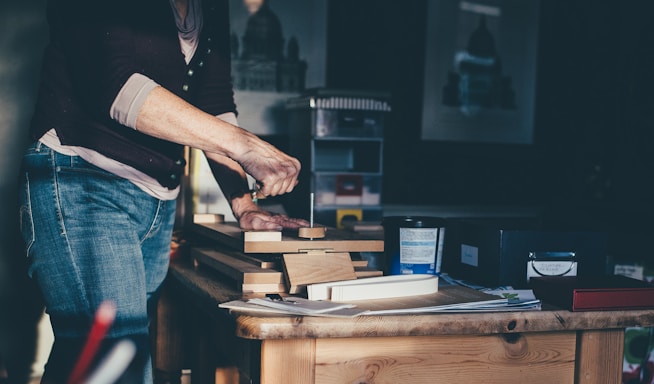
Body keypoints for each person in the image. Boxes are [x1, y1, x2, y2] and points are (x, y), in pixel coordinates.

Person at [17, 0, 308, 382]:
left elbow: (214, 101)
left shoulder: (212, 6)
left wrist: (243, 203)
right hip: (84, 184)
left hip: (157, 201)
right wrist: (246, 145)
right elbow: (116, 86)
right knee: (118, 358)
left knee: (87, 355)